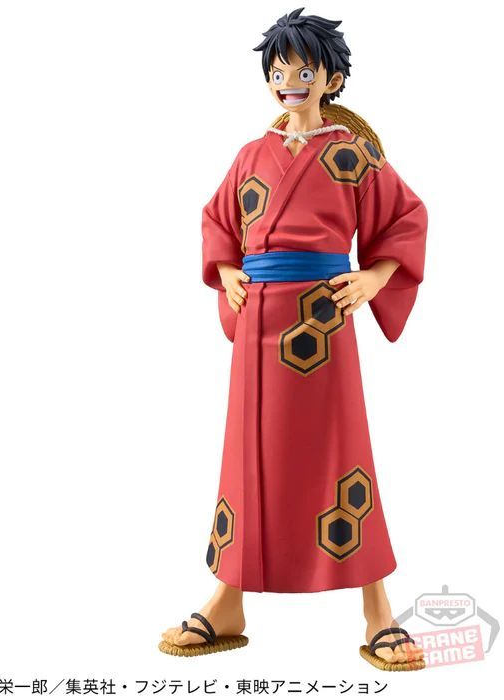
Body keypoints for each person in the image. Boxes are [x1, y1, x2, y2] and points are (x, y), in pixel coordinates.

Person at [160, 7, 428, 671]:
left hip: (322, 321)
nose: (289, 83)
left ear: (331, 78)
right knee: (248, 456)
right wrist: (227, 272)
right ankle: (228, 600)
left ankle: (377, 610)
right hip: (257, 320)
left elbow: (405, 217)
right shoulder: (250, 155)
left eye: (304, 71)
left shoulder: (354, 153)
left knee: (341, 451)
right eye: (278, 71)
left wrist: (374, 276)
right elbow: (218, 221)